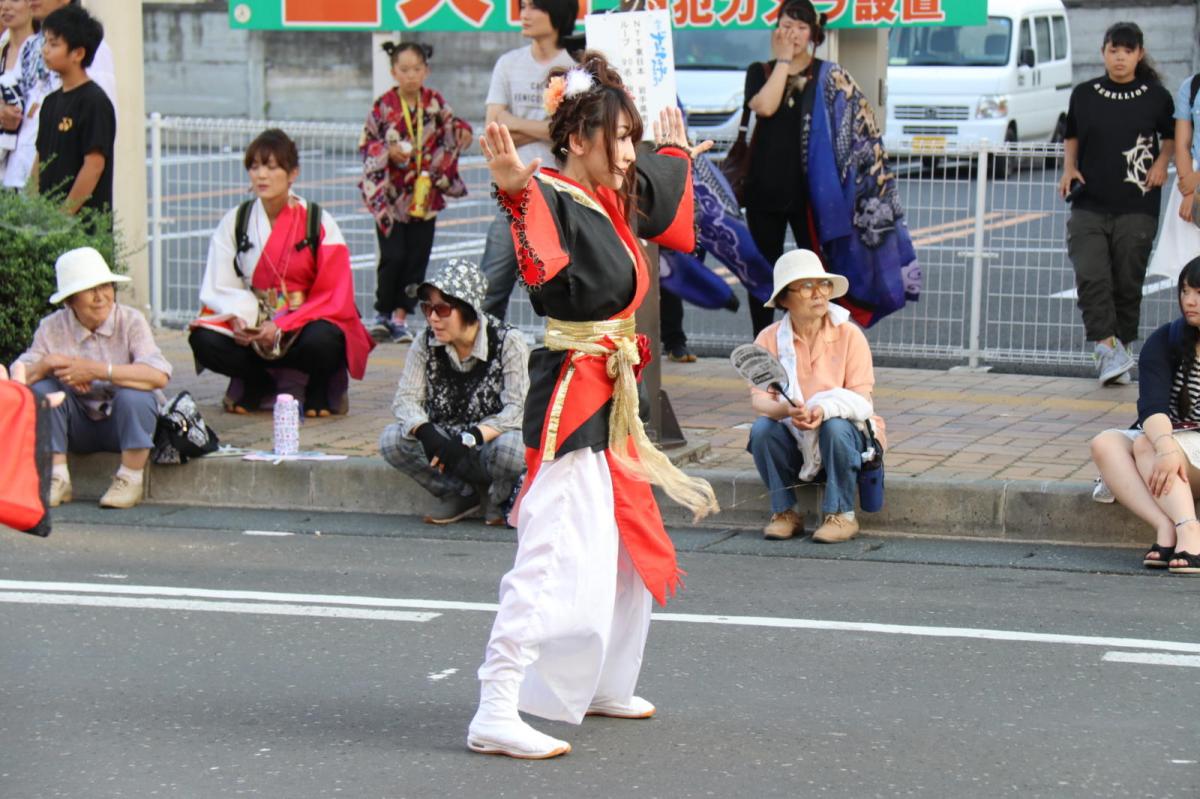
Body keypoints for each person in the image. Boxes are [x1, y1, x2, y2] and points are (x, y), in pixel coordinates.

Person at [467, 52, 719, 760]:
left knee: (627, 548)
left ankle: (606, 678)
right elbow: (536, 229)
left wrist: (671, 151)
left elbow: (656, 188)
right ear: (578, 140)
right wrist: (514, 191)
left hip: (614, 392)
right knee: (552, 550)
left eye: (636, 141)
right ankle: (495, 701)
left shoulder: (609, 192)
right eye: (622, 139)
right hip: (575, 392)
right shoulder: (551, 192)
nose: (632, 156)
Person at [742, 0, 918, 337]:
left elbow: (862, 127)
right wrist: (782, 61)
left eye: (801, 26)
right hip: (764, 190)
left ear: (814, 33)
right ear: (775, 28)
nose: (793, 33)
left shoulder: (830, 75)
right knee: (764, 272)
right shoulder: (760, 71)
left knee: (818, 274)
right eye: (786, 24)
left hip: (813, 198)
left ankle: (821, 340)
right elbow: (764, 107)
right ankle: (765, 345)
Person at [189, 129, 375, 416]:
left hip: (305, 319)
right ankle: (258, 381)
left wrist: (284, 325)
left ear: (293, 173)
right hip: (254, 317)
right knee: (203, 339)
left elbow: (335, 294)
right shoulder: (236, 221)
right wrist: (239, 319)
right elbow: (220, 283)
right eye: (254, 166)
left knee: (325, 339)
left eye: (272, 167)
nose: (261, 175)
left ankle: (317, 384)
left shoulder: (317, 220)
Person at [1058, 21, 1174, 386]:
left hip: (1137, 205)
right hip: (1088, 202)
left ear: (1139, 53)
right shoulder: (1085, 94)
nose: (1120, 57)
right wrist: (1068, 168)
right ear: (1103, 52)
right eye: (1113, 50)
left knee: (1127, 282)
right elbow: (1072, 135)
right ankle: (1107, 348)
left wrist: (1161, 163)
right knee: (1091, 275)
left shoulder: (1157, 96)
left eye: (1127, 50)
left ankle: (1118, 351)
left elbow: (1171, 137)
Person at [745, 249, 886, 543]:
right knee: (761, 430)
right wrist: (786, 410)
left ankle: (842, 515)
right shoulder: (768, 338)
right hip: (794, 433)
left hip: (844, 435)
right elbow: (759, 400)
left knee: (835, 426)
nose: (818, 294)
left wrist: (824, 409)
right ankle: (785, 512)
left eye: (823, 285)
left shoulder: (850, 335)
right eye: (806, 286)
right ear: (784, 299)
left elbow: (861, 403)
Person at [14, 247, 171, 510]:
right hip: (75, 428)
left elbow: (158, 375)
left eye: (106, 287)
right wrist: (46, 364)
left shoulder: (131, 320)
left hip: (124, 427)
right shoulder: (51, 327)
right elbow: (17, 381)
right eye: (90, 290)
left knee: (137, 395)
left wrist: (97, 370)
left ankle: (130, 479)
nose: (101, 297)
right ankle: (57, 477)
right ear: (70, 300)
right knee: (43, 389)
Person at [379, 259, 528, 525]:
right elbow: (405, 399)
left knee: (514, 449)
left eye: (442, 309)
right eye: (427, 308)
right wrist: (426, 433)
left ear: (468, 309)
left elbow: (518, 409)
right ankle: (461, 495)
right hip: (444, 442)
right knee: (392, 440)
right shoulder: (425, 341)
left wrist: (471, 437)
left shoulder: (508, 341)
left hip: (487, 441)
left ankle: (499, 499)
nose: (433, 318)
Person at [1090, 255, 1200, 574]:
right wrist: (1167, 447)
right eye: (1185, 291)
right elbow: (1152, 406)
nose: (1189, 301)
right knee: (1106, 443)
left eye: (1199, 293)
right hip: (1171, 445)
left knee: (1146, 445)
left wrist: (1167, 447)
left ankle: (1190, 532)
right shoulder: (1166, 339)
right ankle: (1168, 526)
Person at [359, 41, 472, 344]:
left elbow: (454, 126)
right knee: (392, 256)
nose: (411, 75)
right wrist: (388, 151)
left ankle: (400, 316)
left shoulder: (434, 102)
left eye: (417, 69)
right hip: (392, 197)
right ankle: (382, 313)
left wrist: (463, 131)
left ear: (427, 71)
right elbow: (367, 143)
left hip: (426, 194)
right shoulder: (383, 106)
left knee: (417, 259)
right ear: (394, 71)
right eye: (404, 69)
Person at [478, 0, 578, 320]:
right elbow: (493, 126)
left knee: (561, 286)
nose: (525, 14)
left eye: (536, 7)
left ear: (558, 13)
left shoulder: (576, 65)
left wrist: (515, 124)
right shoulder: (509, 64)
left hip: (563, 192)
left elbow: (571, 132)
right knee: (491, 285)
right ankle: (484, 357)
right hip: (513, 190)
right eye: (523, 6)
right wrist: (547, 129)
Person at [4, 0, 115, 192]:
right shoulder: (31, 45)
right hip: (18, 171)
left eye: (54, 44)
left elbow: (100, 125)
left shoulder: (93, 49)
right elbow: (13, 95)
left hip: (64, 181)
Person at [29, 3, 113, 219]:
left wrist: (63, 216)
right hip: (47, 224)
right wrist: (29, 209)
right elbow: (40, 158)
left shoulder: (94, 101)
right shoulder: (50, 102)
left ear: (78, 53)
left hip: (82, 228)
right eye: (45, 42)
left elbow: (94, 165)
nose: (45, 50)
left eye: (54, 44)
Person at [1146, 66, 1200, 282]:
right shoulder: (1192, 87)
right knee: (1191, 270)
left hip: (1195, 180)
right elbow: (1182, 144)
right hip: (1191, 183)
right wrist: (1190, 193)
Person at [0, 0, 34, 173]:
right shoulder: (2, 49)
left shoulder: (45, 51)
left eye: (14, 0)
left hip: (30, 157)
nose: (5, 6)